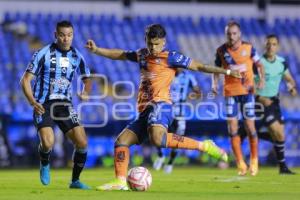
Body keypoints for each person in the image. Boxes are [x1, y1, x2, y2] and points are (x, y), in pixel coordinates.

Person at [85, 23, 241, 191]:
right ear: (146, 40)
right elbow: (121, 54)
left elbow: (199, 66)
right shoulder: (142, 54)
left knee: (158, 139)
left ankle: (205, 146)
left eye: (157, 44)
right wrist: (97, 50)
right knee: (121, 142)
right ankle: (120, 181)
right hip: (145, 110)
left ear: (164, 42)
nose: (153, 48)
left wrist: (227, 72)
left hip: (162, 105)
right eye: (150, 43)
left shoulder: (171, 57)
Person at [20, 20, 91, 189]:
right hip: (43, 104)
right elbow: (26, 80)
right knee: (48, 142)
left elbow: (87, 78)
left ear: (72, 35)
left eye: (69, 35)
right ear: (55, 35)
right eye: (62, 35)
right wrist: (32, 102)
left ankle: (75, 181)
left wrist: (85, 91)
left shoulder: (77, 56)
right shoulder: (43, 53)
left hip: (64, 104)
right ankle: (45, 162)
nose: (66, 39)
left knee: (82, 142)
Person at [212, 21, 265, 176]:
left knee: (250, 127)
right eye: (229, 33)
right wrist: (214, 85)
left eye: (234, 33)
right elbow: (216, 69)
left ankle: (254, 160)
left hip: (247, 92)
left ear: (239, 34)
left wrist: (261, 79)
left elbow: (260, 65)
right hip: (230, 93)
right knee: (232, 129)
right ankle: (241, 164)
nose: (232, 36)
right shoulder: (221, 51)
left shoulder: (249, 48)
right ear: (226, 34)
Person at [240, 34, 297, 174]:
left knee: (280, 136)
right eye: (268, 44)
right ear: (265, 45)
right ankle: (282, 167)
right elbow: (247, 85)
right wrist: (259, 97)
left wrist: (291, 87)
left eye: (273, 44)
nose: (271, 47)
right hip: (260, 102)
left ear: (277, 46)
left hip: (274, 102)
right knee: (275, 129)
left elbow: (289, 79)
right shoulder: (257, 63)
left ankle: (282, 167)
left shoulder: (282, 62)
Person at [153, 69, 201, 173]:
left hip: (180, 114)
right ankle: (160, 155)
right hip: (165, 110)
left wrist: (192, 95)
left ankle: (170, 163)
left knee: (178, 139)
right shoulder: (166, 74)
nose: (179, 67)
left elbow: (198, 92)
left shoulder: (188, 76)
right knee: (157, 133)